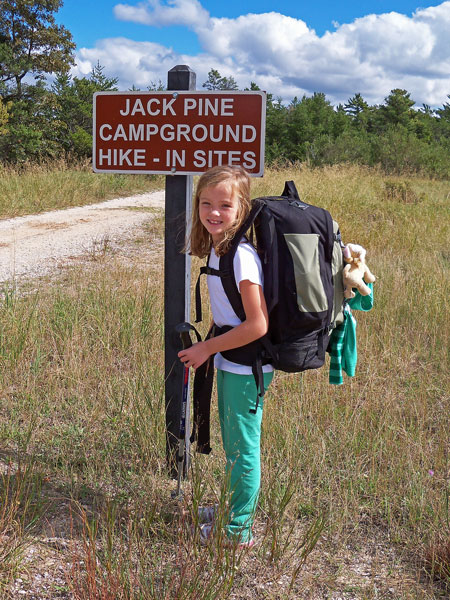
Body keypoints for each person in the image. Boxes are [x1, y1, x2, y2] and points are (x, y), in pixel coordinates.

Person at [178, 165, 273, 548]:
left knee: (243, 447)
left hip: (246, 366)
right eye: (206, 203)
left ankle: (237, 532)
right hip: (231, 362)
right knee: (234, 444)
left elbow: (258, 325)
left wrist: (206, 348)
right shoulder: (220, 248)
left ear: (242, 208)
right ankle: (235, 510)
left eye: (224, 205)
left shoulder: (241, 257)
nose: (213, 212)